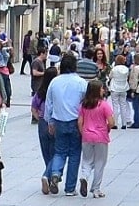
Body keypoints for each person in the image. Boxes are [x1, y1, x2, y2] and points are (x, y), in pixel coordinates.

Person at [40, 53, 87, 196]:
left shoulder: (55, 82)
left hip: (59, 120)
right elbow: (85, 104)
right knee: (74, 154)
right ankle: (70, 188)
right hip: (74, 121)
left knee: (59, 151)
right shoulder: (81, 82)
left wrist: (49, 121)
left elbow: (49, 104)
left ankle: (55, 173)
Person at [77, 77, 115, 198]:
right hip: (100, 136)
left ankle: (84, 176)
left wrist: (83, 132)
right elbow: (111, 121)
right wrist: (107, 128)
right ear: (98, 91)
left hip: (87, 136)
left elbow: (79, 122)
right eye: (102, 88)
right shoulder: (104, 105)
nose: (104, 90)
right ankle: (96, 189)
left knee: (87, 160)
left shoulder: (84, 105)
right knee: (100, 162)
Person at [106, 52, 131, 129]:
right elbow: (127, 77)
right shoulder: (126, 69)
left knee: (115, 106)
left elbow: (110, 76)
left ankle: (115, 123)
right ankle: (124, 123)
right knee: (123, 106)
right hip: (124, 88)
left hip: (115, 88)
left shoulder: (114, 69)